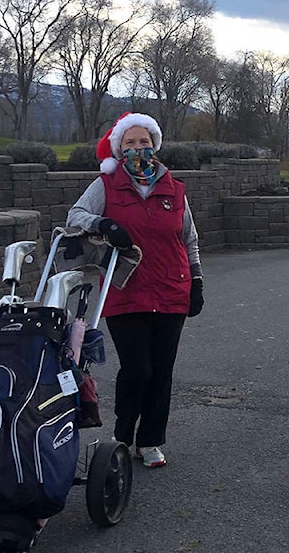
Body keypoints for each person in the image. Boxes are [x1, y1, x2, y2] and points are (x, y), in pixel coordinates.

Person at [66, 112, 204, 469]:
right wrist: (103, 222)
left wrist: (197, 279)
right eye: (130, 143)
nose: (138, 148)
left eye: (144, 142)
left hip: (172, 289)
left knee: (162, 371)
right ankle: (123, 436)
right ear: (119, 148)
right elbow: (75, 216)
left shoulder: (173, 188)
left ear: (154, 145)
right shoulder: (107, 184)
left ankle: (151, 440)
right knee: (136, 370)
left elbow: (188, 237)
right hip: (126, 289)